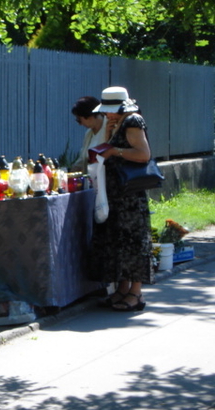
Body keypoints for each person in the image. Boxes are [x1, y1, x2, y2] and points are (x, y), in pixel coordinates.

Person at [88, 86, 154, 311]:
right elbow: (106, 149)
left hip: (129, 194)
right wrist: (108, 137)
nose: (107, 114)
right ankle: (123, 288)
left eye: (111, 110)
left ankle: (136, 293)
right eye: (105, 111)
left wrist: (115, 151)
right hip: (116, 194)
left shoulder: (133, 121)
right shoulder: (116, 122)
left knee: (132, 241)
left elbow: (143, 154)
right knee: (118, 241)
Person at [70, 96, 109, 173]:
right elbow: (82, 159)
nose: (80, 124)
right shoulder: (88, 134)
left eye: (79, 120)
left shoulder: (110, 128)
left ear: (89, 115)